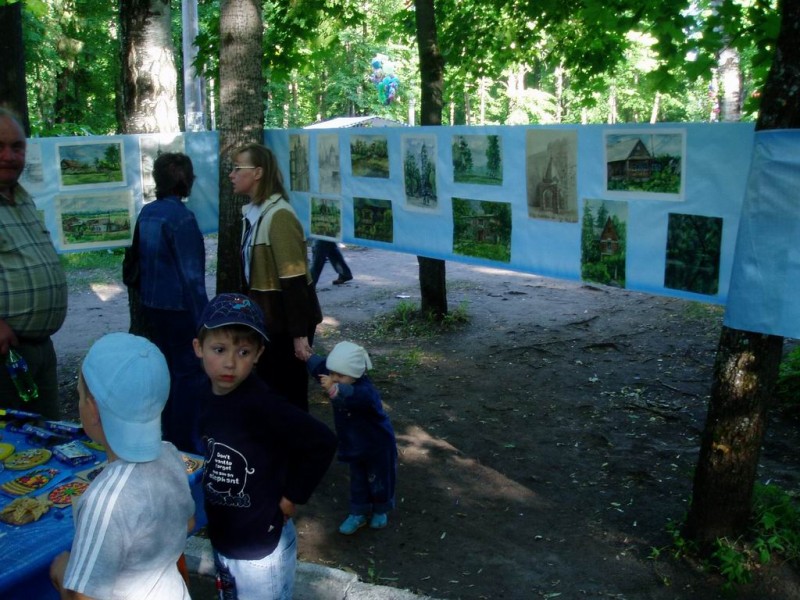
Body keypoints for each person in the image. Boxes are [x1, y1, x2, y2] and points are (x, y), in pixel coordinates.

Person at [192, 292, 336, 599]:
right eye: (219, 349)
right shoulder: (203, 395)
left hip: (260, 546)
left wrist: (292, 496)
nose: (230, 362)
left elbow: (321, 442)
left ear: (258, 354)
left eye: (243, 352)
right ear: (199, 348)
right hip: (226, 536)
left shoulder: (262, 405)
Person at [49, 333, 195, 600]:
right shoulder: (170, 455)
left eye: (80, 395)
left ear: (93, 410)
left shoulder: (104, 502)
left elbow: (83, 597)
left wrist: (63, 571)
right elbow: (188, 522)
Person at [232, 142, 322, 411]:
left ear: (258, 173)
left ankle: (298, 450)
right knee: (272, 392)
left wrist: (299, 335)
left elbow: (293, 279)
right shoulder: (256, 214)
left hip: (284, 325)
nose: (232, 175)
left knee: (288, 394)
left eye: (238, 168)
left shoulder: (279, 215)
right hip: (268, 323)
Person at [131, 152, 208, 451]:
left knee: (167, 371)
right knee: (188, 374)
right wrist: (204, 320)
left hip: (154, 307)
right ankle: (185, 442)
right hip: (179, 309)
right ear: (185, 180)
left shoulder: (148, 212)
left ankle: (166, 435)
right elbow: (191, 277)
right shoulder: (182, 218)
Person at [0, 108, 68, 418]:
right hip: (6, 354)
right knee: (11, 450)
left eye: (17, 147)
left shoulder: (21, 198)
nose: (9, 155)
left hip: (39, 349)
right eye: (0, 146)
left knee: (48, 442)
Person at [307, 341, 397, 535]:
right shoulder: (340, 376)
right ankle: (358, 512)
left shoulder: (365, 392)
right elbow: (322, 368)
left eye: (339, 375)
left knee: (379, 478)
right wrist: (308, 357)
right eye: (332, 374)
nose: (334, 378)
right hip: (355, 444)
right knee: (358, 479)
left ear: (355, 373)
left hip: (377, 445)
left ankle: (381, 510)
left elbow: (349, 395)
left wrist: (333, 388)